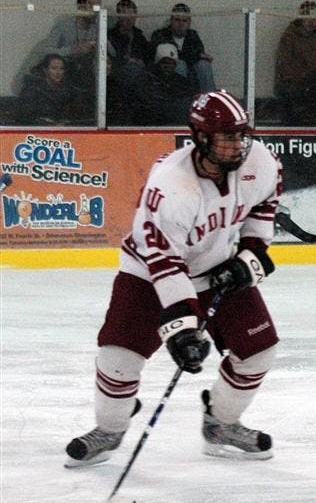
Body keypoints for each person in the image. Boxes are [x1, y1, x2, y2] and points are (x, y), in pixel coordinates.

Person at [64, 90, 282, 467]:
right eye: (226, 137)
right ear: (200, 138)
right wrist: (183, 328)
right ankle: (111, 428)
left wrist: (250, 253)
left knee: (258, 350)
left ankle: (221, 424)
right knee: (119, 360)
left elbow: (263, 205)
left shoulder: (260, 162)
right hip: (148, 273)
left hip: (214, 268)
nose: (238, 145)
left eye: (241, 135)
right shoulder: (170, 187)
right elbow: (164, 262)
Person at [150, 3, 216, 92]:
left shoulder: (192, 35)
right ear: (171, 20)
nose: (180, 24)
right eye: (177, 20)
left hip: (190, 72)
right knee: (179, 64)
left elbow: (199, 53)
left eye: (184, 21)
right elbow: (169, 57)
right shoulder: (160, 34)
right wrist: (196, 55)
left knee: (204, 65)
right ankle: (180, 101)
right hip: (164, 72)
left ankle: (210, 100)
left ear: (189, 22)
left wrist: (197, 55)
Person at [274, 0, 316, 101]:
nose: (311, 20)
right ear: (301, 17)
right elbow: (284, 64)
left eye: (314, 16)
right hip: (295, 82)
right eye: (307, 16)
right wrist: (303, 77)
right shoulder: (289, 37)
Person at [129, 42, 197, 125]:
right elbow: (149, 105)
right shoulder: (145, 79)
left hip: (176, 121)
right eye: (164, 62)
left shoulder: (182, 81)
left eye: (171, 63)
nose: (168, 67)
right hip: (152, 122)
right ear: (157, 63)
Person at [44, 0, 102, 91]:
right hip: (66, 71)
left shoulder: (98, 28)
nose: (95, 10)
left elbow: (112, 54)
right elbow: (47, 50)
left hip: (89, 71)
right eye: (91, 5)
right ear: (80, 6)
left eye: (97, 7)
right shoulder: (64, 25)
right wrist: (71, 50)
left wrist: (102, 44)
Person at [16, 53, 89, 125]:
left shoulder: (71, 90)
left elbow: (78, 115)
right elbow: (25, 117)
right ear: (45, 70)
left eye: (61, 69)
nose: (58, 72)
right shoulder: (32, 90)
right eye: (54, 68)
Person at [108, 0, 150, 76]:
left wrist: (141, 62)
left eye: (132, 14)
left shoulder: (140, 37)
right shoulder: (110, 36)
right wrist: (125, 61)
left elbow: (148, 59)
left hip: (138, 76)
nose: (129, 18)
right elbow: (108, 61)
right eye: (125, 14)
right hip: (116, 78)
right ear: (118, 16)